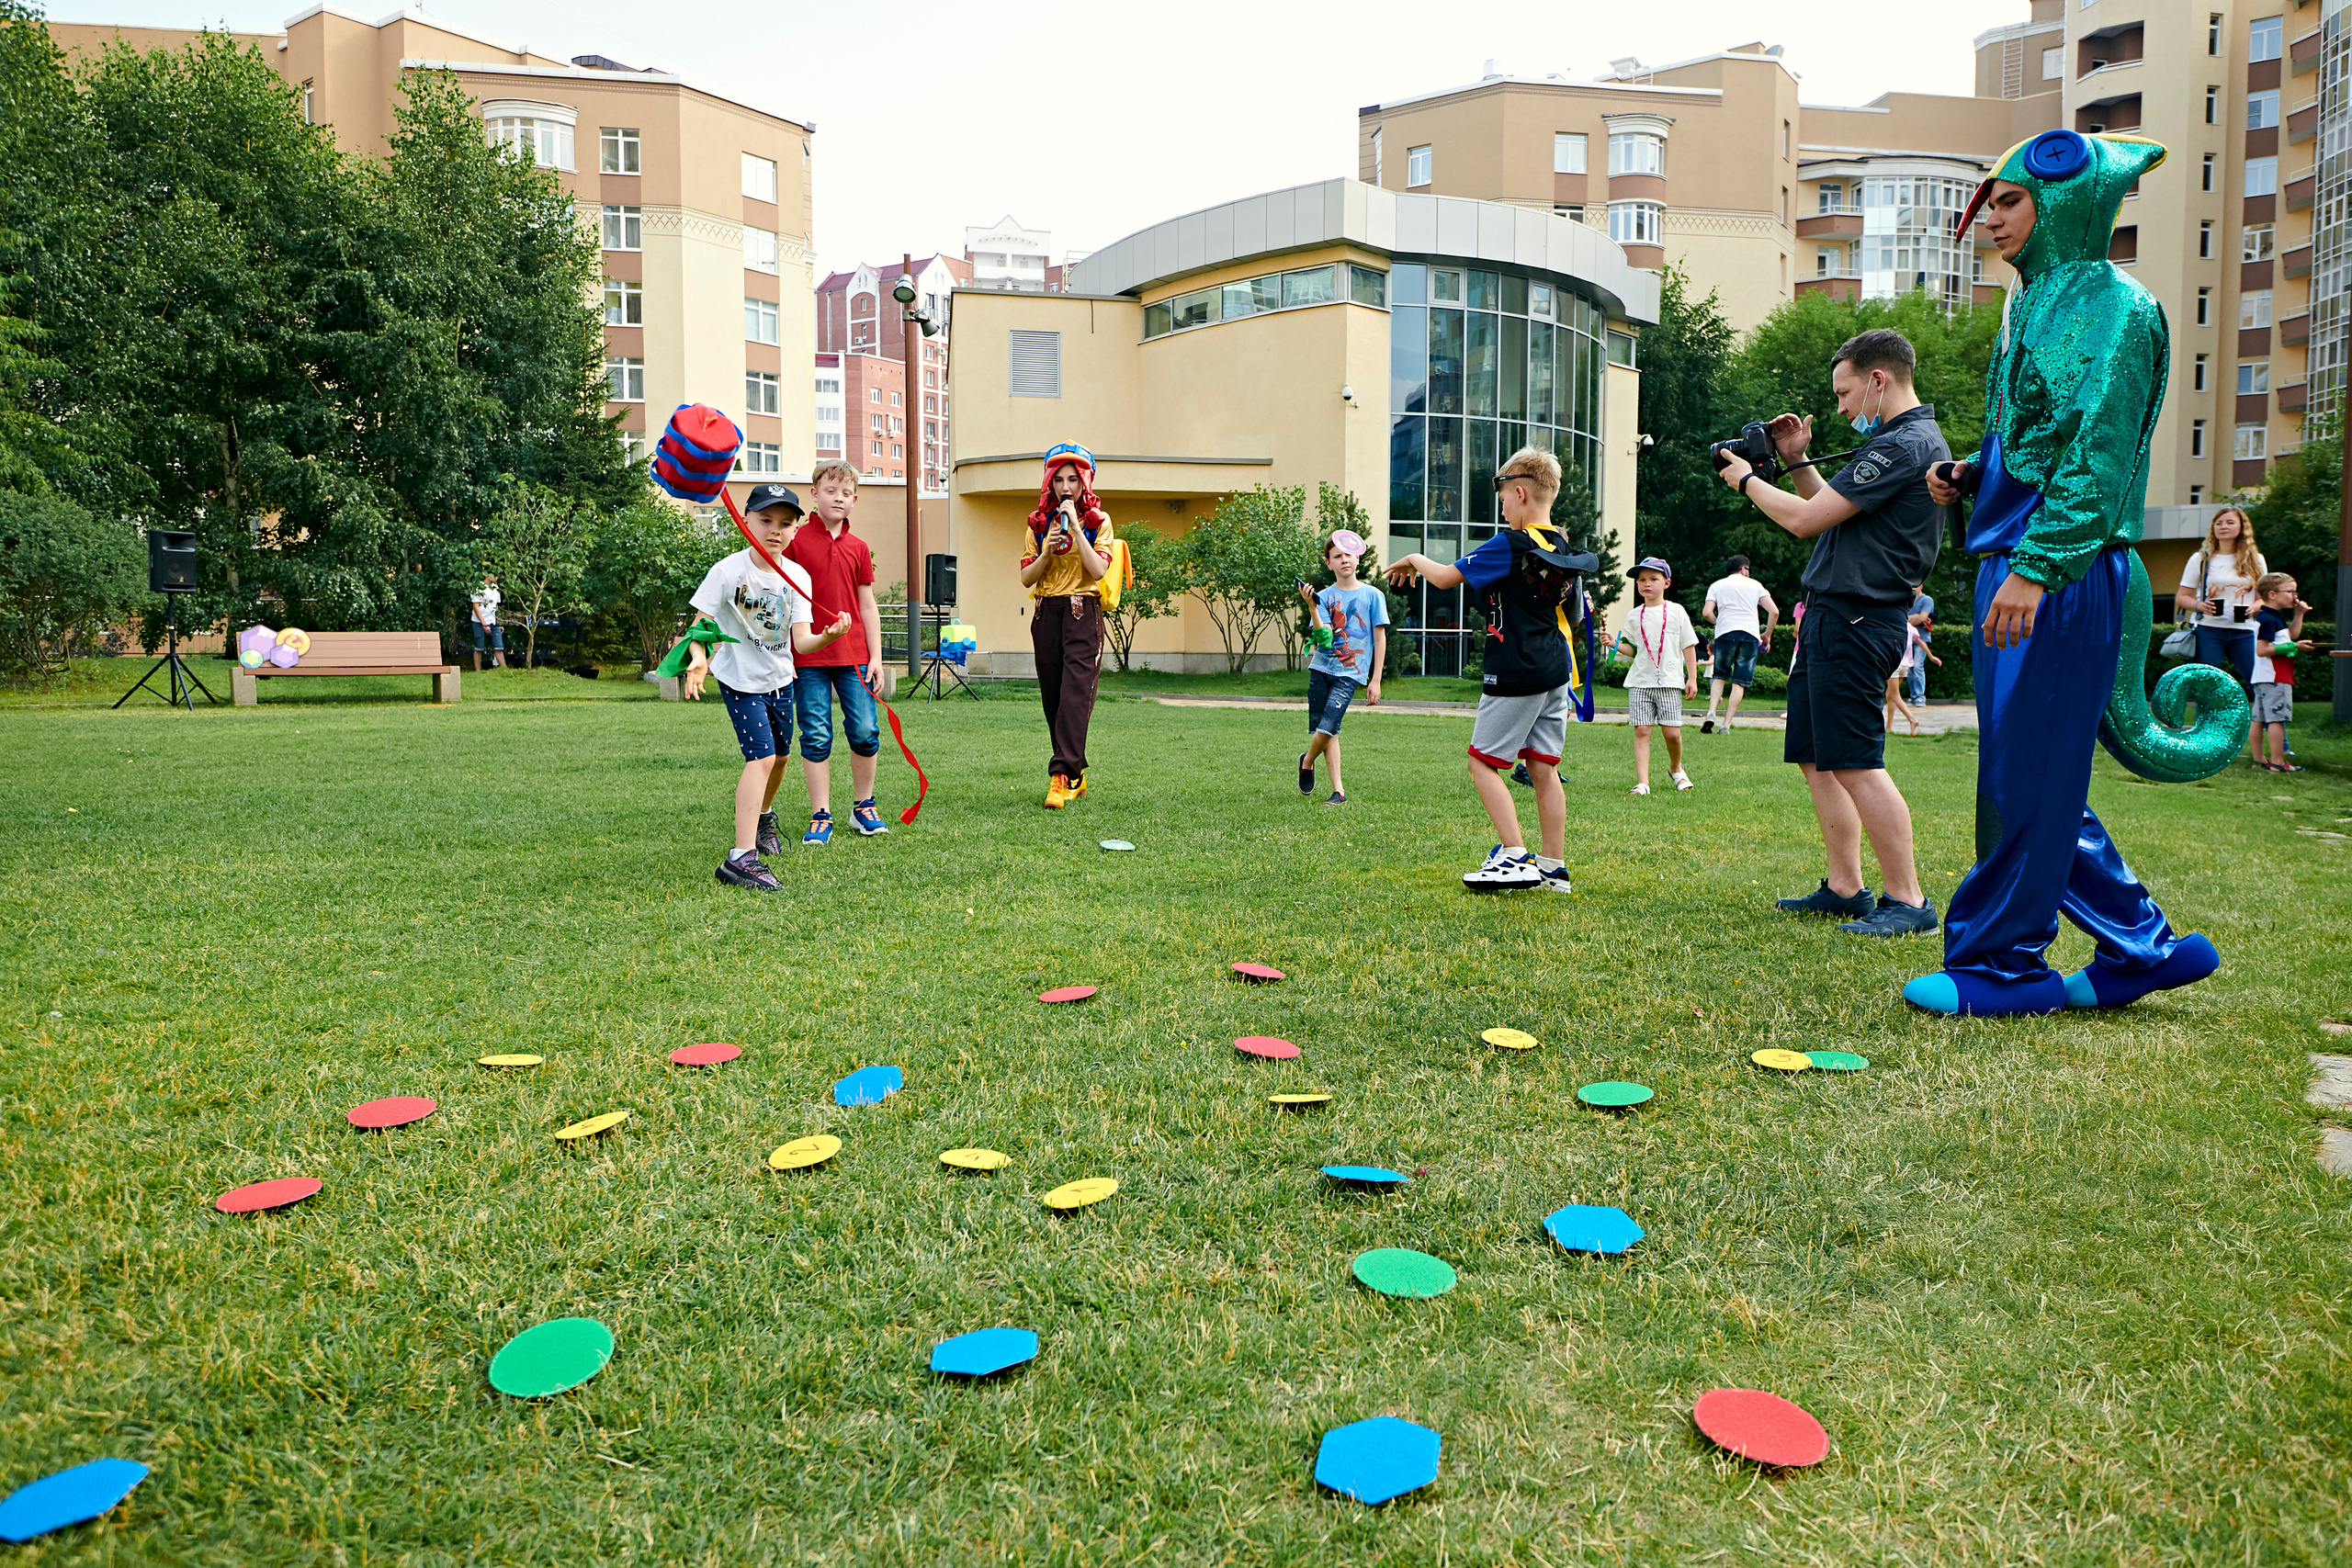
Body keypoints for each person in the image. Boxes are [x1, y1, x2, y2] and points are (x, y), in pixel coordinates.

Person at [1909, 130, 2234, 1016]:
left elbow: (2095, 456)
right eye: (1991, 204)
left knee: (2028, 776)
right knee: (2032, 772)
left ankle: (2004, 966)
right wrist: (1977, 472)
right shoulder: (2033, 304)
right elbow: (2041, 437)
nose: (1992, 222)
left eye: (2011, 203)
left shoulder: (2119, 305)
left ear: (2068, 201)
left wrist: (2041, 566)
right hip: (2022, 564)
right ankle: (2143, 947)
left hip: (2062, 571)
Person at [1713, 327, 1943, 938]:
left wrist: (1744, 478)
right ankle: (1846, 887)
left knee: (1857, 761)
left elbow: (1803, 520)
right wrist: (1792, 461)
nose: (1840, 408)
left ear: (1878, 380)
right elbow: (1829, 512)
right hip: (1832, 613)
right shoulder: (1897, 443)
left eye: (1844, 393)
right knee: (1818, 758)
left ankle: (1909, 899)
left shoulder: (1907, 444)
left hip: (1859, 616)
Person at [1388, 446, 1591, 893]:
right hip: (1556, 669)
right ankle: (1554, 869)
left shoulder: (1510, 544)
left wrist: (1414, 560)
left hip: (1516, 670)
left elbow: (1443, 577)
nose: (1501, 509)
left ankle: (1514, 855)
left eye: (1502, 500)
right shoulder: (1560, 544)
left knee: (1482, 763)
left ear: (1520, 492)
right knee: (1544, 768)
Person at [673, 485, 853, 891]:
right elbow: (701, 627)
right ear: (746, 521)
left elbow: (802, 642)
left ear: (795, 530)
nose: (775, 530)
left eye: (785, 524)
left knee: (783, 758)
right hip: (740, 681)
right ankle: (740, 858)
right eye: (766, 521)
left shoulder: (797, 578)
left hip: (779, 681)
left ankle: (763, 818)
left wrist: (830, 636)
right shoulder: (728, 571)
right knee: (762, 758)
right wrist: (699, 659)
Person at [785, 463, 888, 844]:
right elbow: (783, 603)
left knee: (864, 730)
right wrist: (785, 656)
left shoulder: (859, 548)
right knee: (815, 734)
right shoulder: (795, 542)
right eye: (831, 491)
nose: (838, 498)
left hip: (855, 657)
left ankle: (864, 806)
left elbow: (867, 605)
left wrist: (875, 657)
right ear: (814, 493)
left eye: (846, 494)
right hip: (808, 658)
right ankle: (820, 815)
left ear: (855, 500)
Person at [1018, 443, 1116, 809]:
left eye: (1073, 479)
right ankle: (1075, 773)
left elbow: (1099, 570)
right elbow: (1027, 578)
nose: (1065, 487)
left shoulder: (1098, 522)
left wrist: (1075, 526)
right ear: (1049, 482)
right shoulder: (1037, 523)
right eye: (1058, 479)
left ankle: (1060, 778)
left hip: (1083, 612)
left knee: (1075, 698)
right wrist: (1046, 550)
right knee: (1054, 700)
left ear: (1085, 482)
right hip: (1047, 615)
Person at [1295, 531, 1387, 804]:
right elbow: (1323, 638)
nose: (1344, 560)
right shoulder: (1323, 597)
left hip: (1350, 672)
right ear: (1329, 563)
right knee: (1329, 730)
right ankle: (1339, 791)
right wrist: (1313, 607)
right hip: (1322, 668)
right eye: (1337, 556)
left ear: (1358, 557)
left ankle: (1307, 761)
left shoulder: (1374, 595)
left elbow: (1380, 637)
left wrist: (1376, 680)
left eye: (1348, 554)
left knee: (1328, 724)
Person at [2174, 506, 2266, 760]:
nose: (2223, 527)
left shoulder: (2255, 559)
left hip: (2244, 631)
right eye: (2218, 523)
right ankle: (2203, 737)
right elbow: (2182, 596)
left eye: (2229, 522)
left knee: (2258, 682)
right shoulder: (2201, 559)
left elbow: (2263, 598)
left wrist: (2253, 607)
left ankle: (2277, 738)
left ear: (2241, 528)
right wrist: (2199, 605)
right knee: (2207, 684)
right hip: (2208, 630)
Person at [1616, 556, 1697, 795]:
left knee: (1672, 733)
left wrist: (1691, 678)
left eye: (1653, 578)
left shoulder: (1677, 611)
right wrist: (1613, 644)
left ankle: (1676, 769)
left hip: (1670, 682)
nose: (1646, 584)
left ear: (1667, 583)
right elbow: (1633, 649)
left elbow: (1688, 645)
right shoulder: (1634, 615)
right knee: (1642, 730)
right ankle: (1643, 782)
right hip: (1640, 681)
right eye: (1641, 580)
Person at [1700, 555, 1778, 732]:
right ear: (1743, 569)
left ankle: (1711, 712)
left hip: (1725, 634)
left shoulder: (1716, 586)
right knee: (1739, 681)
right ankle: (1725, 725)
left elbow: (1706, 613)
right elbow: (1774, 612)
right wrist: (1767, 634)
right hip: (1749, 635)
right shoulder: (1756, 585)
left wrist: (1719, 621)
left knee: (1720, 676)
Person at [2249, 571, 2313, 773]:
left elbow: (2291, 635)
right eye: (2290, 591)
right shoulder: (2268, 619)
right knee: (2276, 719)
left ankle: (2259, 759)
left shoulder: (2273, 616)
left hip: (2264, 677)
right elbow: (2262, 650)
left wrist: (2299, 614)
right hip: (2275, 677)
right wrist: (2294, 647)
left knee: (2258, 719)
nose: (2294, 596)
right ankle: (2278, 762)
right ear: (2272, 594)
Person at [1882, 620, 1938, 738]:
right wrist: (1931, 656)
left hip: (1895, 664)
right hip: (1905, 665)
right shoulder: (1911, 627)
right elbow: (1920, 641)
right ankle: (1889, 727)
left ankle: (1912, 720)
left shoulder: (1893, 624)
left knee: (1895, 695)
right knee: (1890, 695)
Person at [1904, 584, 1935, 709]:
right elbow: (1917, 618)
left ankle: (1920, 697)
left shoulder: (1927, 600)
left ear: (1921, 586)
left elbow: (1922, 618)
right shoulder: (1907, 600)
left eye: (1915, 586)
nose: (1912, 588)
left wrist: (1912, 619)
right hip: (1908, 639)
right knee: (1910, 669)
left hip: (1921, 638)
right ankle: (1914, 696)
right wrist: (1917, 618)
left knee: (1917, 666)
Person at [469, 574, 504, 671]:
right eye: (495, 575)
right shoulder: (478, 587)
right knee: (479, 647)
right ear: (488, 575)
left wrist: (498, 622)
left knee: (499, 647)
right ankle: (477, 671)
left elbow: (496, 606)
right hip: (478, 622)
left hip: (493, 622)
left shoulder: (495, 588)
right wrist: (484, 624)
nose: (497, 578)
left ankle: (504, 670)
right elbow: (475, 607)